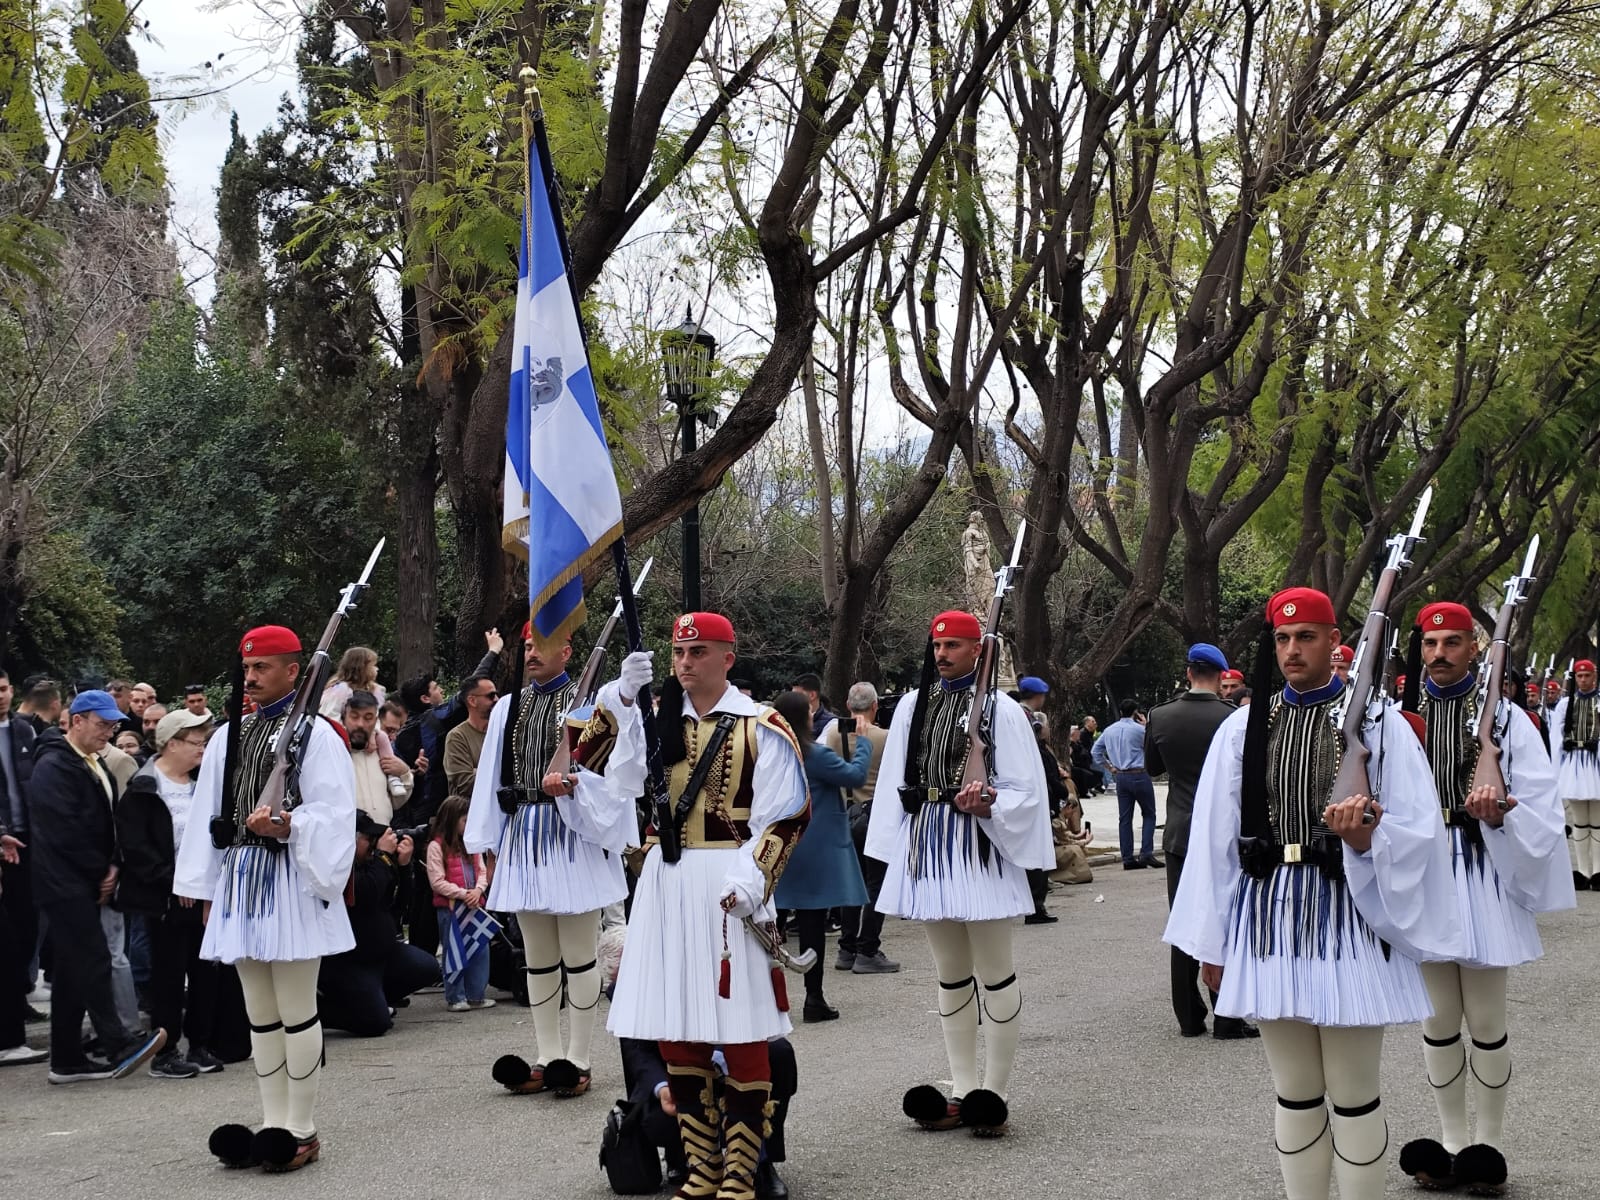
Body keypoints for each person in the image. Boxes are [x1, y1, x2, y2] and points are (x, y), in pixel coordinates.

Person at [1164, 587, 1462, 1200]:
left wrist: (1367, 838)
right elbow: (1216, 843)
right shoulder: (1243, 728)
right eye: (1282, 638)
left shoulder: (1379, 724)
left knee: (1353, 1094)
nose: (1293, 649)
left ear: (1334, 641)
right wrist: (1210, 944)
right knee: (1295, 1090)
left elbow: (1422, 828)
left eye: (1306, 637)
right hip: (1269, 916)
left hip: (1349, 914)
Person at [606, 611, 809, 1200]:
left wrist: (752, 881)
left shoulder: (762, 726)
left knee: (743, 1030)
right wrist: (621, 698)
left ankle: (742, 1173)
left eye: (698, 653)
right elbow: (607, 774)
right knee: (679, 1031)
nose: (685, 663)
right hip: (668, 886)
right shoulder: (654, 720)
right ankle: (702, 1168)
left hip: (730, 881)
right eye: (678, 654)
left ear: (728, 657)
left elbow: (786, 814)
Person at [1397, 602, 1574, 1193]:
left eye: (1451, 642)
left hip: (1480, 872)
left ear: (1475, 648)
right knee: (1439, 1021)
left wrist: (1500, 817)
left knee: (1488, 1020)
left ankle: (1488, 1148)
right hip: (1423, 875)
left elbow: (1543, 804)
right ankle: (1450, 1144)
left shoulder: (1507, 720)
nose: (1439, 653)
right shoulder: (1397, 717)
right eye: (1430, 643)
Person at [174, 625, 357, 1173]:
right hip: (241, 880)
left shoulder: (318, 736)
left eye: (263, 668)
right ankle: (271, 1121)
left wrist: (288, 826)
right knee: (260, 1013)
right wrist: (206, 890)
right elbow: (211, 816)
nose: (250, 678)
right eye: (248, 669)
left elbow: (334, 812)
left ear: (294, 672)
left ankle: (300, 1127)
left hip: (292, 878)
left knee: (297, 1008)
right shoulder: (230, 734)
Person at [865, 608, 1052, 1138]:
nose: (942, 654)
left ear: (978, 649)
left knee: (995, 971)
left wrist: (989, 801)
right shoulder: (911, 705)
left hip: (979, 845)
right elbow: (896, 780)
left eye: (953, 645)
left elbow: (1024, 788)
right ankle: (962, 1088)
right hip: (929, 841)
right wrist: (894, 847)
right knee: (950, 971)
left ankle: (996, 1091)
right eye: (937, 645)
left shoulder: (1001, 710)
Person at [471, 626, 642, 1098]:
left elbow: (615, 775)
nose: (529, 653)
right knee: (540, 957)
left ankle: (580, 1058)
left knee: (579, 954)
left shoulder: (589, 707)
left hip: (574, 834)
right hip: (525, 833)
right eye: (525, 646)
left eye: (539, 645)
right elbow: (490, 776)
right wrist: (487, 842)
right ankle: (547, 1056)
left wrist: (576, 785)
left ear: (566, 651)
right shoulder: (509, 706)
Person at [31, 689, 167, 1083]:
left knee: (75, 968)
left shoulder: (91, 761)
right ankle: (118, 1042)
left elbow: (106, 820)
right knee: (92, 959)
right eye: (102, 724)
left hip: (83, 878)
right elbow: (64, 831)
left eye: (112, 725)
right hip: (64, 881)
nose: (109, 731)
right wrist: (101, 870)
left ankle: (67, 1059)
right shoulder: (55, 766)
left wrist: (112, 865)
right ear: (77, 721)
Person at [1143, 643, 1252, 1040]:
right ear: (1222, 676)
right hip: (1224, 830)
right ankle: (1227, 1015)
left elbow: (1153, 767)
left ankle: (1189, 1017)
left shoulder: (1161, 715)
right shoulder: (1233, 718)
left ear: (1188, 672)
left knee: (1184, 919)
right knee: (1225, 919)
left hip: (1179, 831)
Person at [116, 708, 223, 1079]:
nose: (202, 750)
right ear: (172, 743)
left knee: (206, 970)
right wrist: (176, 882)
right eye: (196, 742)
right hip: (165, 898)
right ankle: (165, 1052)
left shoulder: (202, 786)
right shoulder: (144, 787)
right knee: (169, 975)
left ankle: (200, 1043)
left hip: (204, 895)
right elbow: (137, 848)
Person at [392, 629, 504, 956]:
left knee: (433, 886)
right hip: (440, 814)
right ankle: (431, 955)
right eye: (437, 689)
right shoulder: (436, 723)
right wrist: (494, 651)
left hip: (422, 813)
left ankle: (428, 955)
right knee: (440, 886)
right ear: (426, 699)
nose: (443, 692)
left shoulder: (404, 734)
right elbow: (472, 687)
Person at [772, 689, 870, 1021]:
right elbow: (855, 776)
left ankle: (768, 997)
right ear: (804, 718)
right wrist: (863, 742)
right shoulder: (813, 754)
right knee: (812, 925)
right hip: (815, 846)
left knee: (771, 923)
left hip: (780, 846)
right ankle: (814, 997)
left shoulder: (772, 753)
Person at [616, 1031, 797, 1199]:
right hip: (672, 1078)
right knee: (658, 1122)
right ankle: (694, 1166)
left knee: (777, 1052)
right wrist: (661, 1086)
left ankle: (756, 1165)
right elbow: (634, 1046)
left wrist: (722, 1057)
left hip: (728, 1050)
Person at [320, 811, 439, 1036]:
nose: (374, 844)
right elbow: (366, 894)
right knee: (375, 1024)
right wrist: (384, 856)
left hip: (382, 954)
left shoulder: (373, 866)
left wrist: (403, 868)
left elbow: (398, 906)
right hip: (350, 962)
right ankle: (318, 1011)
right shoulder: (338, 868)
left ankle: (373, 999)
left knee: (427, 967)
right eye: (369, 838)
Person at [824, 682, 899, 974]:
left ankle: (846, 950)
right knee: (876, 885)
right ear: (875, 706)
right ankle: (868, 949)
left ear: (847, 704)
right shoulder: (886, 737)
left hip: (843, 815)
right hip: (874, 816)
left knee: (850, 885)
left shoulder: (832, 734)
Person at [427, 794, 497, 1012]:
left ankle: (476, 994)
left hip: (474, 907)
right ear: (451, 820)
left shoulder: (472, 845)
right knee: (454, 951)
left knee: (479, 951)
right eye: (465, 821)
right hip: (451, 909)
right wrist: (462, 893)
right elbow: (437, 881)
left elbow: (482, 871)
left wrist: (478, 890)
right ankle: (455, 996)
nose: (468, 825)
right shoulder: (436, 847)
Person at [0, 667, 38, 1050]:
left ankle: (20, 993)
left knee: (28, 924)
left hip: (29, 840)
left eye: (4, 688)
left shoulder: (25, 730)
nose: (1, 695)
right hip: (2, 842)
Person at [1093, 699, 1161, 870]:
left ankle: (1127, 857)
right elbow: (1152, 746)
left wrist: (1110, 766)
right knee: (1149, 814)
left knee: (1125, 818)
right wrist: (1147, 724)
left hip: (1121, 776)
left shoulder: (1109, 730)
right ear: (1135, 712)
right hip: (1138, 773)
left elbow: (1096, 751)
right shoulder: (1139, 730)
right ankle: (1146, 852)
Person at [1551, 659, 1600, 891]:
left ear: (1594, 676)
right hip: (1575, 764)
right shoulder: (1565, 704)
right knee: (1580, 821)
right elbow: (1555, 736)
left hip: (1596, 763)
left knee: (1597, 821)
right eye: (1579, 676)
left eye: (1586, 676)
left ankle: (1598, 869)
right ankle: (1583, 870)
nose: (1583, 680)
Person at [342, 691, 412, 825]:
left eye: (368, 718)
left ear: (375, 720)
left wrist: (405, 774)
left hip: (383, 839)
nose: (361, 724)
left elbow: (395, 802)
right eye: (354, 717)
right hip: (346, 839)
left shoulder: (383, 753)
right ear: (344, 717)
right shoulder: (334, 750)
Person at [443, 673, 497, 802]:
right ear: (472, 700)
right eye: (490, 696)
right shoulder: (457, 737)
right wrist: (499, 769)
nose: (496, 699)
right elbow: (465, 784)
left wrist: (478, 771)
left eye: (496, 694)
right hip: (468, 815)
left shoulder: (501, 732)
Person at [318, 646, 386, 718]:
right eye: (373, 665)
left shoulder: (374, 690)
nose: (377, 669)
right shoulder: (341, 689)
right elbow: (330, 716)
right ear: (361, 667)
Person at [789, 672, 836, 738]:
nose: (793, 699)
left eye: (797, 695)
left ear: (812, 695)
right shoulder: (788, 720)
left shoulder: (831, 723)